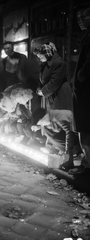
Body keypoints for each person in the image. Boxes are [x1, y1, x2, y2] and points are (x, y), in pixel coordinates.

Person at [70, 5, 90, 174]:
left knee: (86, 128)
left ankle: (87, 166)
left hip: (86, 93)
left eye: (82, 18)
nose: (80, 22)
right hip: (84, 91)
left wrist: (81, 76)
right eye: (78, 19)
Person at [33, 42, 72, 111]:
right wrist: (39, 87)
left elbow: (55, 82)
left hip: (60, 94)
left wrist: (43, 91)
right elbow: (41, 77)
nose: (40, 59)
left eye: (41, 57)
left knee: (59, 116)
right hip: (51, 93)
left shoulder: (58, 63)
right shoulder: (45, 63)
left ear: (47, 54)